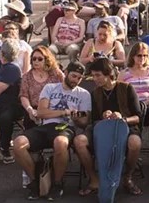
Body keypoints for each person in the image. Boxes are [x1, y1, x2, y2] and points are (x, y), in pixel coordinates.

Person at [13, 61, 91, 200]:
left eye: (79, 78)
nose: (76, 80)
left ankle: (57, 183)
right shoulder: (50, 88)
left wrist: (76, 117)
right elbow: (41, 112)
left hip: (67, 128)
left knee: (60, 142)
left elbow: (84, 121)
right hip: (46, 126)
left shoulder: (84, 94)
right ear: (65, 73)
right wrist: (64, 112)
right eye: (73, 76)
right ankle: (35, 181)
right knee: (18, 143)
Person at [74, 58, 144, 196]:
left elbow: (138, 117)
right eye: (93, 75)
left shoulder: (126, 88)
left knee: (135, 142)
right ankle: (94, 179)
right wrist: (102, 117)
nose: (95, 79)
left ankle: (127, 177)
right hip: (101, 130)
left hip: (125, 127)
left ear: (108, 74)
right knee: (79, 141)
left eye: (98, 75)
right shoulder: (96, 93)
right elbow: (93, 120)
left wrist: (122, 118)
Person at [120, 42, 149, 125]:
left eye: (145, 55)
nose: (142, 58)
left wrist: (145, 104)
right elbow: (119, 93)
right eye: (139, 55)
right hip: (131, 108)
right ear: (133, 56)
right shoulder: (124, 73)